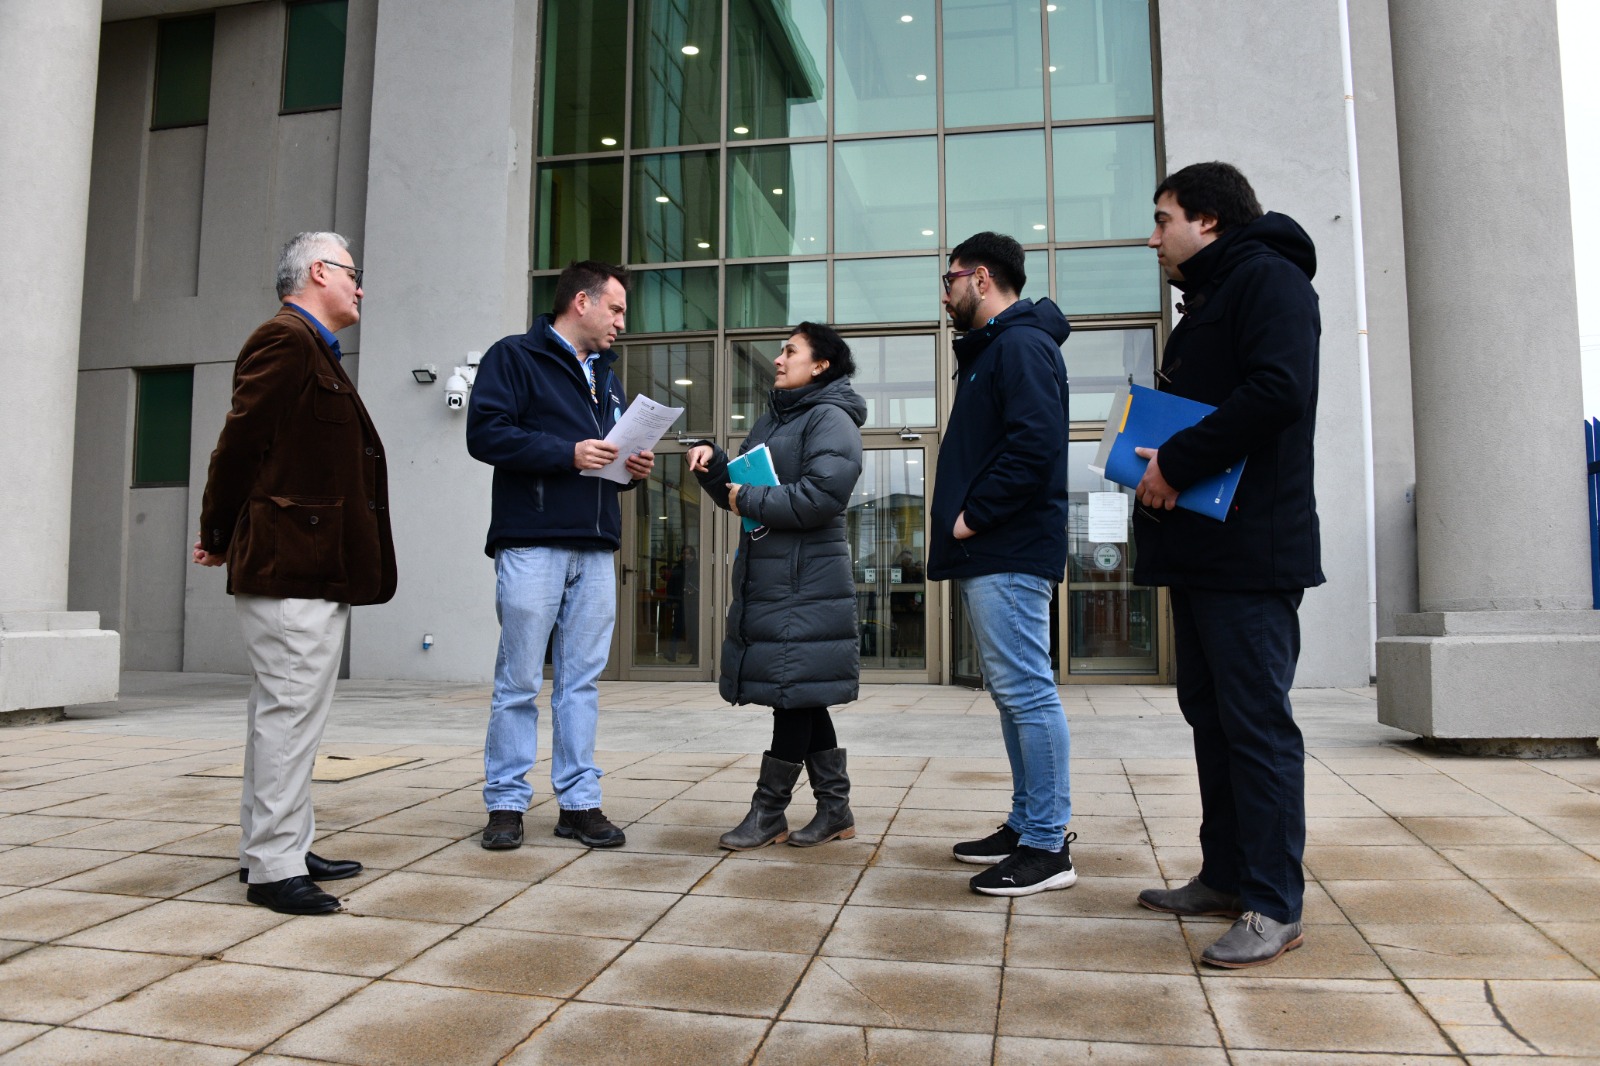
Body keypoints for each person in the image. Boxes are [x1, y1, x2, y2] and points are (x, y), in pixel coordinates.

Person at [1132, 161, 1323, 968]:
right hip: (1204, 551)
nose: (1155, 237)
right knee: (1211, 718)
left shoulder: (1270, 282)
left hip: (1250, 553)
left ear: (1207, 220)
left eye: (1163, 219)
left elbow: (1280, 390)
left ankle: (1274, 903)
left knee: (1256, 727)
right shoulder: (1209, 299)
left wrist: (1174, 459)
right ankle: (1224, 872)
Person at [193, 231, 393, 916]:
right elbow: (239, 441)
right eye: (351, 272)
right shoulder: (284, 340)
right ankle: (275, 867)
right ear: (317, 271)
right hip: (289, 566)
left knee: (287, 718)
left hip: (309, 567)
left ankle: (275, 846)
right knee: (286, 716)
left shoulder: (314, 349)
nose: (359, 286)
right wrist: (216, 532)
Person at [467, 261, 654, 851]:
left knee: (581, 683)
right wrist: (566, 454)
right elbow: (485, 435)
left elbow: (611, 457)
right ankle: (505, 803)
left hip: (595, 545)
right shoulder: (514, 357)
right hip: (532, 541)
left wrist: (633, 470)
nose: (623, 322)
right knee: (519, 680)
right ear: (582, 302)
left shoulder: (608, 375)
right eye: (617, 309)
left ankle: (578, 802)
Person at [927, 231, 1076, 897]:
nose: (945, 291)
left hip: (1007, 547)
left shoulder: (1019, 346)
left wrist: (973, 516)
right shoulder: (997, 349)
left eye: (949, 277)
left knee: (1027, 692)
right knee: (1014, 696)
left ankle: (1047, 844)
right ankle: (1026, 825)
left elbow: (1035, 444)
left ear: (980, 278)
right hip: (996, 549)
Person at [687, 322, 866, 850]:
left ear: (821, 365)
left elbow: (819, 497)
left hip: (805, 578)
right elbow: (740, 490)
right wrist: (712, 465)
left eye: (791, 351)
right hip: (774, 573)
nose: (779, 358)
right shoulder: (772, 420)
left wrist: (745, 497)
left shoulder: (831, 418)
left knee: (791, 695)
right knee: (803, 695)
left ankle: (768, 812)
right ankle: (835, 809)